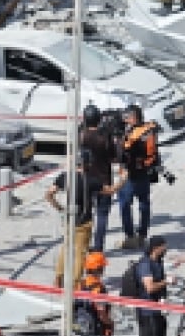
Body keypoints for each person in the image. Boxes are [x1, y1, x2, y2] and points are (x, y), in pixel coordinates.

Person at [47, 150, 105, 288]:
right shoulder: (91, 180)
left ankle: (58, 278)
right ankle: (75, 283)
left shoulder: (65, 177)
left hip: (69, 220)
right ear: (88, 163)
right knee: (80, 253)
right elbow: (110, 190)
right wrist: (122, 181)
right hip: (84, 222)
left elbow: (49, 194)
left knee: (65, 249)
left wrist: (59, 207)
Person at [117, 105, 158, 250]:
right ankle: (142, 235)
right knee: (144, 204)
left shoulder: (132, 133)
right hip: (144, 173)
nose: (125, 119)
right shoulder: (150, 129)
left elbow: (122, 153)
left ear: (135, 117)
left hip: (130, 174)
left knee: (124, 204)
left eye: (128, 116)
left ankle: (130, 236)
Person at [80, 104, 117, 252]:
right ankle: (98, 246)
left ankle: (84, 244)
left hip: (86, 179)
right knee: (102, 214)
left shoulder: (82, 136)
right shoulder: (105, 136)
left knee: (86, 213)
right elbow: (114, 156)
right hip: (104, 178)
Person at [136, 236, 172, 336]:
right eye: (164, 247)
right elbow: (150, 287)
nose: (166, 249)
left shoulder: (158, 262)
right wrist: (166, 282)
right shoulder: (145, 264)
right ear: (156, 248)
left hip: (158, 309)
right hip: (147, 311)